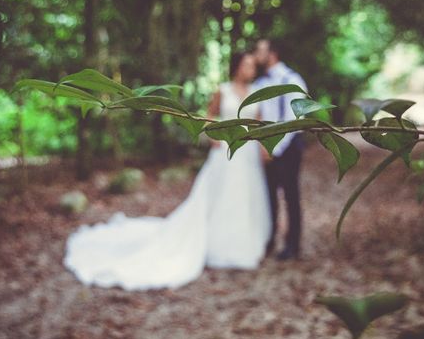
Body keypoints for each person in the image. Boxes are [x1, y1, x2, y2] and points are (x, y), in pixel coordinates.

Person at [63, 52, 271, 290]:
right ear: (236, 67)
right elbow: (208, 116)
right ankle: (218, 246)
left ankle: (245, 245)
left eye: (253, 66)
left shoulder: (257, 93)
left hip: (248, 155)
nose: (250, 69)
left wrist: (264, 148)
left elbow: (259, 121)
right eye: (246, 65)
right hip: (225, 151)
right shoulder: (222, 90)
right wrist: (213, 136)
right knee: (221, 197)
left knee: (244, 198)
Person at [253, 39, 307, 260]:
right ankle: (269, 239)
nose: (256, 54)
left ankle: (293, 244)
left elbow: (295, 118)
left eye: (260, 50)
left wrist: (275, 148)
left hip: (288, 147)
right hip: (266, 149)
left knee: (290, 196)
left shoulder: (292, 80)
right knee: (268, 196)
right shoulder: (258, 84)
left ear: (272, 54)